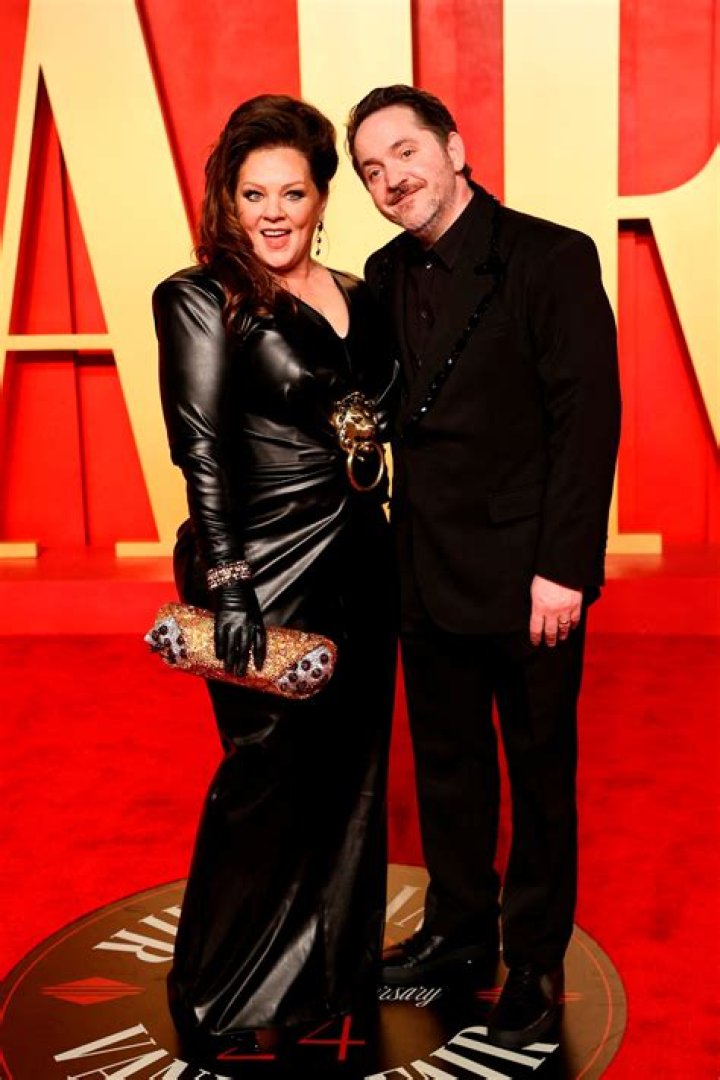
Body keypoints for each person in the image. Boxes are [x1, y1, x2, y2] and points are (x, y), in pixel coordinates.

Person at [347, 85, 621, 1049]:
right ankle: (460, 931)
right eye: (371, 170)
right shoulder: (381, 273)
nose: (392, 179)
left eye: (405, 151)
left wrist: (565, 569)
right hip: (424, 568)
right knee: (450, 770)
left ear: (455, 148)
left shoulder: (550, 256)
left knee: (540, 776)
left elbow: (587, 423)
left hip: (528, 576)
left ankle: (535, 960)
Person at [152, 94, 397, 1049]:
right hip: (263, 560)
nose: (274, 213)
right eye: (254, 193)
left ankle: (328, 973)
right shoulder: (201, 296)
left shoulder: (362, 293)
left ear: (322, 196)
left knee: (353, 770)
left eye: (292, 192)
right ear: (229, 198)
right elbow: (201, 450)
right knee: (265, 771)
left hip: (361, 553)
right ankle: (221, 989)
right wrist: (229, 581)